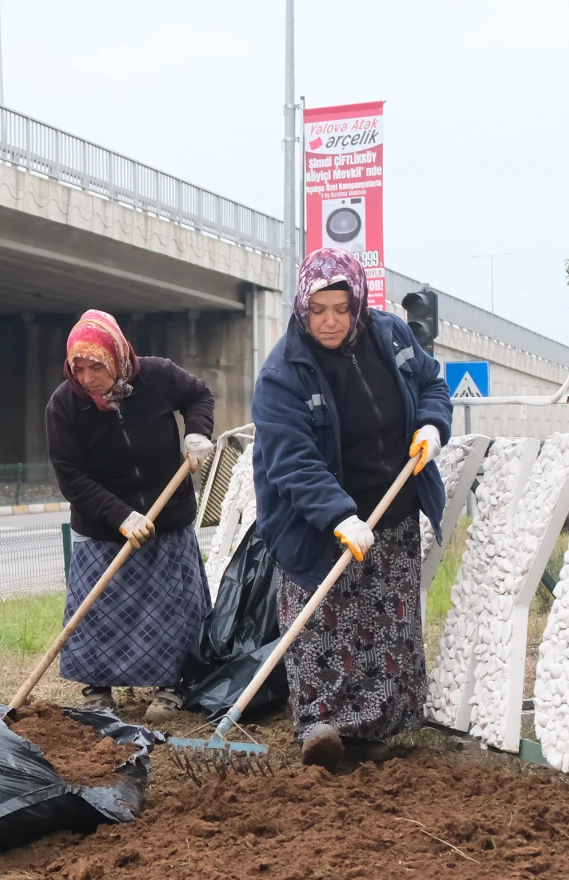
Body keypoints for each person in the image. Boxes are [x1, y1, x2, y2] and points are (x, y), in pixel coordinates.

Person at [251, 248, 453, 770]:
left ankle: (375, 729)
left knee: (387, 620)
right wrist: (339, 515)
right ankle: (321, 728)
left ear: (358, 302)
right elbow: (290, 459)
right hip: (318, 521)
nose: (330, 321)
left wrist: (432, 425)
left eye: (340, 308)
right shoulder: (283, 373)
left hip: (394, 508)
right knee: (323, 621)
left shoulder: (390, 335)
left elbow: (432, 381)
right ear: (301, 307)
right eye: (318, 310)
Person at [46, 310, 215, 723]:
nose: (86, 378)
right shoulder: (64, 406)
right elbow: (71, 476)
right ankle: (97, 688)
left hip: (167, 517)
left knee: (170, 609)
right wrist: (121, 515)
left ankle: (171, 685)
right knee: (98, 609)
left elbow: (200, 396)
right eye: (78, 368)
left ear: (116, 357)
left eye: (96, 366)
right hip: (102, 527)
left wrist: (197, 431)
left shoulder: (158, 376)